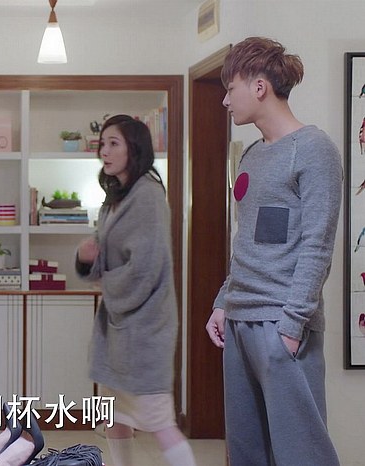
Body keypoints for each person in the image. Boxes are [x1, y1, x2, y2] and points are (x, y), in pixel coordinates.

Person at [205, 37, 342, 465]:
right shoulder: (250, 155)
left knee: (301, 453)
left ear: (259, 86)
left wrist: (292, 324)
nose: (226, 100)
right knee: (246, 452)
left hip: (281, 323)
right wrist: (223, 302)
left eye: (231, 89)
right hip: (239, 321)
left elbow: (317, 246)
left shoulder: (314, 149)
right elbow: (247, 240)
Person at [75, 115, 196, 466]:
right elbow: (104, 256)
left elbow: (146, 268)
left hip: (145, 329)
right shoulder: (113, 197)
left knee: (160, 421)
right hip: (116, 330)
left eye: (114, 143)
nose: (104, 151)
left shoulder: (148, 195)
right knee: (114, 416)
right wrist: (85, 258)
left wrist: (106, 283)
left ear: (135, 148)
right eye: (103, 143)